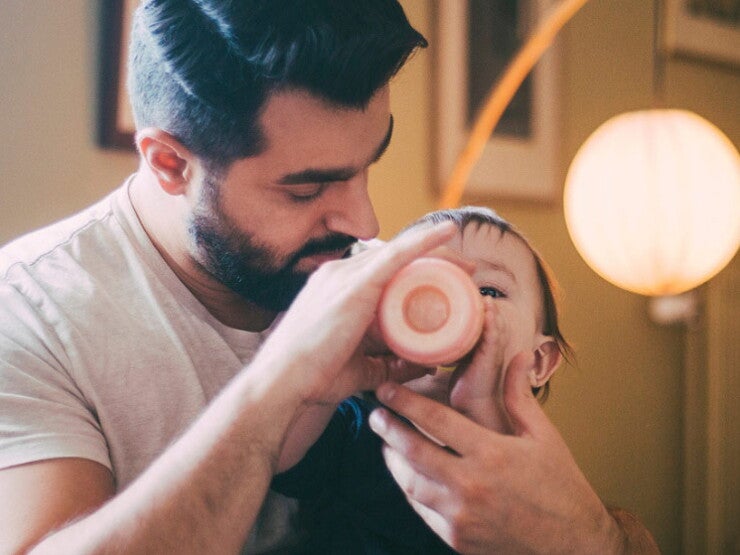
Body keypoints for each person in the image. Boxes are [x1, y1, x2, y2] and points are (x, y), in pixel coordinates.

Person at [0, 1, 659, 553]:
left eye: (368, 164)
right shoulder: (32, 312)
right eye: (308, 187)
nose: (365, 220)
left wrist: (586, 533)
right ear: (170, 162)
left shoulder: (385, 281)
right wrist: (273, 390)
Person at [270, 206, 572, 554]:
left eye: (490, 291)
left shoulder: (529, 464)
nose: (454, 302)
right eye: (425, 283)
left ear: (539, 360)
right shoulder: (358, 421)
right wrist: (330, 364)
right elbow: (279, 457)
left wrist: (483, 405)